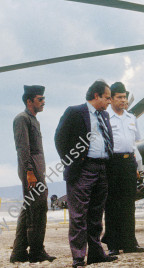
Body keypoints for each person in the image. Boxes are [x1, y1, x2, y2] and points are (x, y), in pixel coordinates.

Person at [54, 80, 117, 267]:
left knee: (96, 214)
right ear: (96, 96)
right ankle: (78, 257)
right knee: (79, 215)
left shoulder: (104, 115)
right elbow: (60, 138)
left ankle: (96, 253)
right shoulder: (74, 112)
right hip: (82, 170)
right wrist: (71, 161)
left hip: (102, 168)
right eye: (107, 98)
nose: (109, 102)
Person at [10, 85, 56, 263]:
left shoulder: (33, 119)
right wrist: (29, 171)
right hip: (31, 167)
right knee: (37, 208)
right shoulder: (22, 119)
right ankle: (36, 251)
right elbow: (23, 148)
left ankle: (19, 252)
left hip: (36, 166)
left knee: (28, 208)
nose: (43, 102)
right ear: (29, 101)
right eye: (40, 99)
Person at [102, 82, 144, 255]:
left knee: (129, 204)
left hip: (129, 163)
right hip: (112, 163)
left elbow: (135, 144)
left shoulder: (131, 118)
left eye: (124, 97)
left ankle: (129, 242)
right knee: (112, 204)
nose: (123, 100)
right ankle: (113, 244)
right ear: (111, 99)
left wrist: (137, 166)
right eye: (119, 97)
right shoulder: (105, 117)